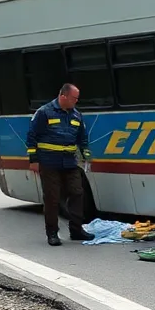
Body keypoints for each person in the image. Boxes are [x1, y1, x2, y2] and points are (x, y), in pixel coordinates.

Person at [26, 83, 95, 246]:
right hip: (49, 163)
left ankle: (76, 230)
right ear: (63, 96)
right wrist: (33, 160)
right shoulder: (44, 112)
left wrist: (85, 152)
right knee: (52, 198)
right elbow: (31, 136)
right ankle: (52, 233)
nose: (76, 102)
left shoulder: (77, 115)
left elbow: (82, 137)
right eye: (74, 98)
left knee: (77, 193)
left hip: (70, 163)